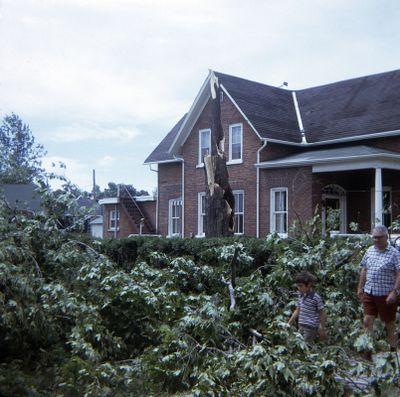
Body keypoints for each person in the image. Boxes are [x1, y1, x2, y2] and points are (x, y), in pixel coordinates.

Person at [357, 224, 400, 357]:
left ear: (386, 237)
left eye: (379, 237)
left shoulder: (394, 253)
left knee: (389, 323)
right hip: (370, 292)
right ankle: (367, 351)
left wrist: (394, 291)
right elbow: (364, 269)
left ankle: (393, 352)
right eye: (374, 237)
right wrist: (360, 287)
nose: (376, 240)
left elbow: (399, 273)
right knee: (367, 320)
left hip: (386, 294)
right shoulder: (369, 251)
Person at [288, 271, 326, 344]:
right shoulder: (301, 296)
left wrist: (321, 328)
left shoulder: (316, 298)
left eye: (301, 286)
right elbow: (298, 310)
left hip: (310, 327)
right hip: (301, 325)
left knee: (305, 346)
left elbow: (322, 313)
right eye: (298, 286)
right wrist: (289, 324)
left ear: (309, 285)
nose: (299, 288)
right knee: (298, 345)